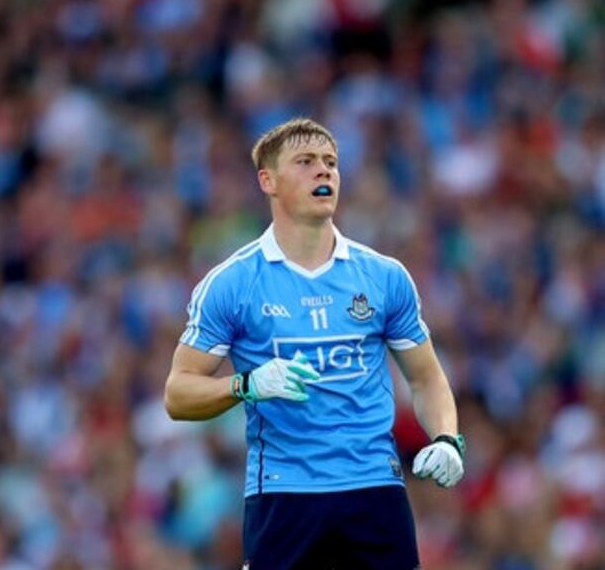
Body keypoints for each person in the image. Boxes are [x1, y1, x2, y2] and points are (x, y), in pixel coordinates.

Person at [163, 118, 465, 569]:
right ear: (268, 180)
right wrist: (246, 384)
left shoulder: (384, 277)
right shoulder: (232, 283)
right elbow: (177, 393)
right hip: (284, 494)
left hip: (374, 490)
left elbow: (425, 378)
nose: (323, 171)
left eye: (331, 163)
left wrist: (446, 438)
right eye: (305, 162)